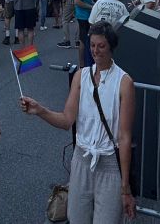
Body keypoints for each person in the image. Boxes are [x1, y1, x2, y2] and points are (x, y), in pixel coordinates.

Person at [21, 22, 136, 223]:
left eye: (101, 46)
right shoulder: (81, 77)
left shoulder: (124, 82)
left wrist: (125, 187)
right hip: (81, 160)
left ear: (111, 46)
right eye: (92, 45)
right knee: (76, 219)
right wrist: (40, 110)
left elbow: (125, 137)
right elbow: (67, 120)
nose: (95, 50)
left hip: (109, 164)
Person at [74, 0, 97, 68]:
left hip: (86, 14)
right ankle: (82, 65)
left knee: (85, 39)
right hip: (83, 15)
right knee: (83, 40)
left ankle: (85, 63)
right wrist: (91, 7)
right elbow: (77, 1)